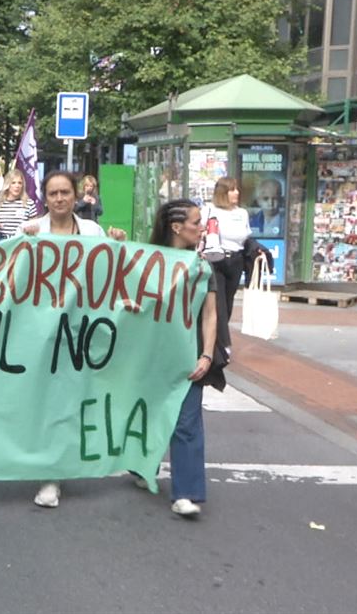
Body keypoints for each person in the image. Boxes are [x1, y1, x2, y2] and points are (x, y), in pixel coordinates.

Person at [22, 171, 126, 509]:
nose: (59, 199)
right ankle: (50, 475)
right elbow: (12, 273)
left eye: (65, 192)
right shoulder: (33, 229)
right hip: (46, 333)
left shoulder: (93, 232)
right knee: (50, 401)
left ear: (75, 194)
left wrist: (119, 245)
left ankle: (69, 463)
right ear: (45, 197)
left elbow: (110, 271)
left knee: (78, 399)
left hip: (84, 331)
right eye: (52, 193)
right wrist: (24, 242)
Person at [146, 199, 219, 517]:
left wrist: (206, 355)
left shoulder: (203, 267)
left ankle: (185, 492)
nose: (202, 227)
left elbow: (210, 315)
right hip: (151, 358)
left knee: (187, 424)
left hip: (188, 357)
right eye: (196, 222)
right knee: (146, 415)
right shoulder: (148, 262)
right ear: (177, 227)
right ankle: (140, 467)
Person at [202, 177, 250, 354]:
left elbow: (247, 236)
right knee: (218, 302)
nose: (236, 193)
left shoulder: (242, 213)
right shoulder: (209, 210)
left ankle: (218, 337)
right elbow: (200, 231)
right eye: (232, 189)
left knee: (228, 302)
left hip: (236, 260)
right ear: (223, 193)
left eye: (237, 189)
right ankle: (223, 344)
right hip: (216, 259)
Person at [0, 170, 39, 239]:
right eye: (13, 183)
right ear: (8, 184)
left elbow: (35, 225)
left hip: (22, 240)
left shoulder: (29, 203)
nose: (17, 186)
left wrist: (29, 228)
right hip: (2, 241)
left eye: (19, 183)